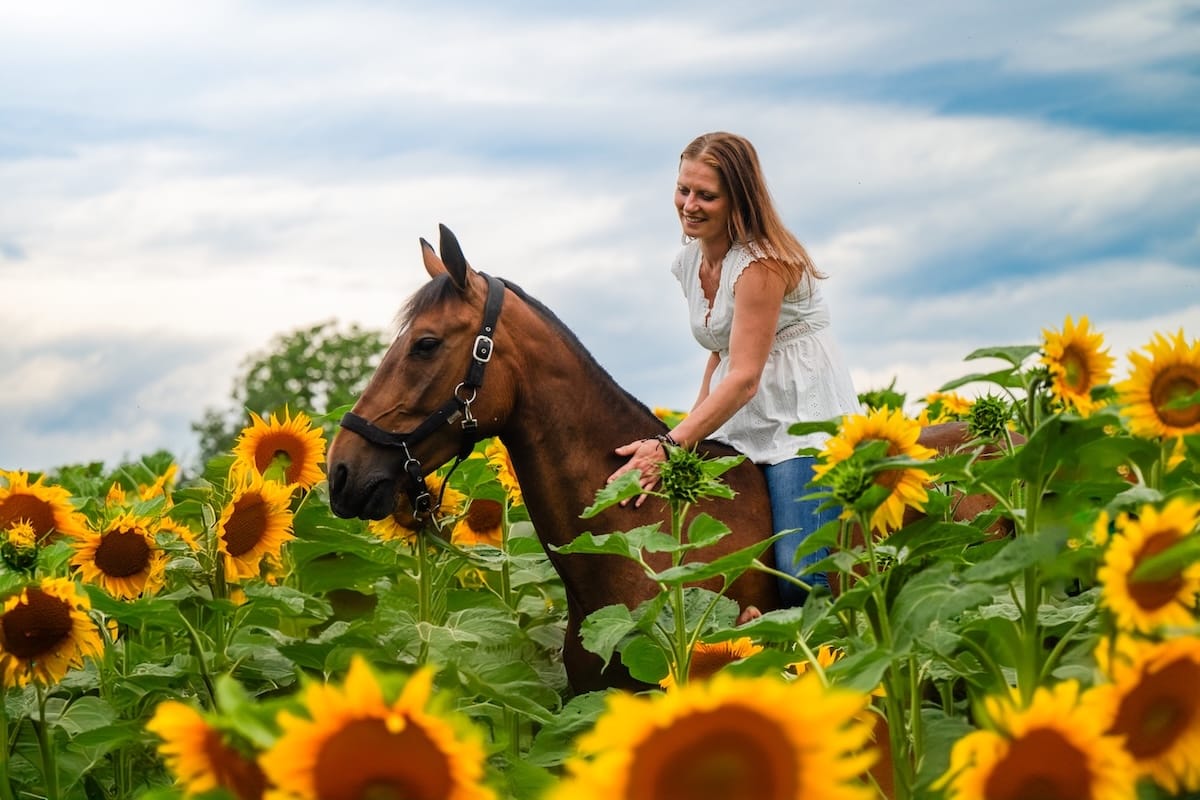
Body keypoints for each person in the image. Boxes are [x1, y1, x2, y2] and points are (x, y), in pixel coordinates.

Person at [607, 131, 862, 606]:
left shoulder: (762, 264)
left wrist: (668, 446)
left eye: (707, 195)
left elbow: (744, 376)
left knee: (798, 572)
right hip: (742, 417)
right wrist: (686, 434)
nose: (689, 204)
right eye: (684, 189)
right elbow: (719, 349)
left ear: (737, 199)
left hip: (798, 418)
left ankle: (828, 661)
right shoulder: (690, 261)